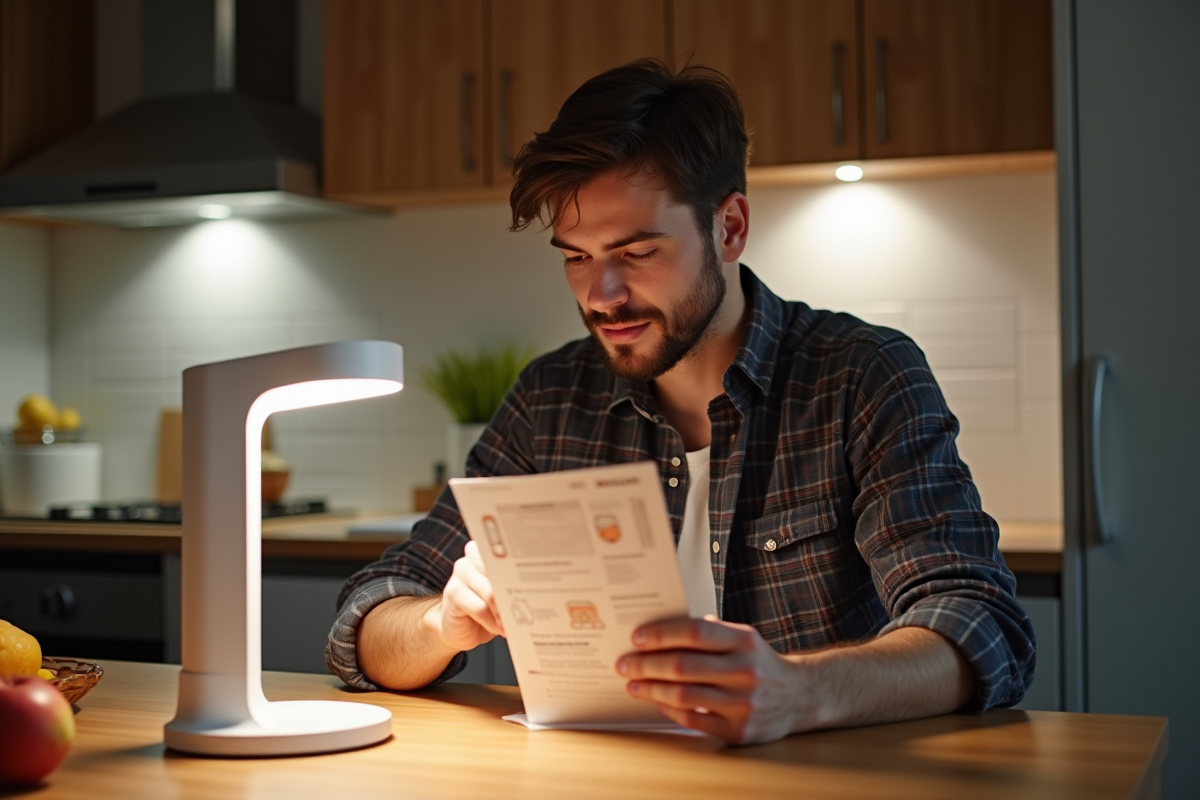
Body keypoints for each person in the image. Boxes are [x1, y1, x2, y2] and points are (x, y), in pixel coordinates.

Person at [327, 59, 1035, 745]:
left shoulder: (858, 376)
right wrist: (440, 624)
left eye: (635, 252)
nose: (600, 295)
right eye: (576, 256)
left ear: (729, 228)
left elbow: (979, 624)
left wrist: (800, 691)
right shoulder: (550, 399)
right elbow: (366, 622)